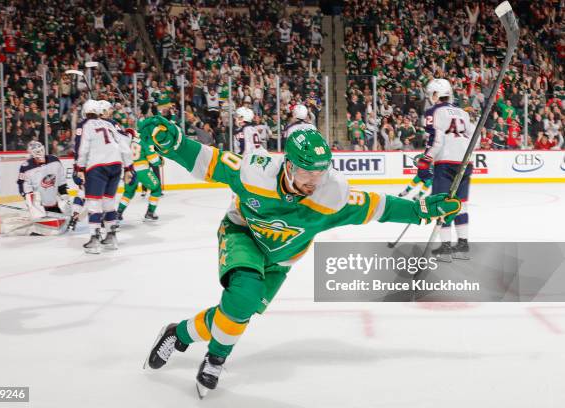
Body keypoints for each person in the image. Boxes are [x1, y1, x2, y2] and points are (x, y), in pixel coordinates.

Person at [137, 115, 462, 397]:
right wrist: (175, 143)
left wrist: (420, 210)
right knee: (244, 297)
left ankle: (177, 334)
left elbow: (380, 206)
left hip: (282, 260)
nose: (314, 181)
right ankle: (216, 358)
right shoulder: (255, 172)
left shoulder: (332, 194)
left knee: (236, 313)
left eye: (320, 174)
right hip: (243, 234)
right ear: (288, 164)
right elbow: (210, 161)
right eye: (307, 173)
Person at [419, 78, 473, 261]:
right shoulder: (463, 113)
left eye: (430, 95)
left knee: (442, 203)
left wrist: (426, 159)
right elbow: (476, 139)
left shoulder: (433, 111)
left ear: (435, 94)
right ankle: (463, 246)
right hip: (465, 163)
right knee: (461, 204)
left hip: (445, 163)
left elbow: (436, 140)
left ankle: (446, 249)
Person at [74, 100, 134, 254]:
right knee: (109, 203)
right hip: (116, 165)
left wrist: (79, 168)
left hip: (97, 166)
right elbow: (125, 147)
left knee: (94, 204)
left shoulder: (86, 125)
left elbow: (83, 148)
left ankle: (94, 240)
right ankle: (111, 237)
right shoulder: (109, 124)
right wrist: (129, 168)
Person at [17, 141, 69, 233]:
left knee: (63, 226)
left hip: (53, 204)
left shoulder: (54, 160)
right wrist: (33, 206)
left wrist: (64, 196)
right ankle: (36, 218)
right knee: (45, 230)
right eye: (37, 152)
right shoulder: (26, 167)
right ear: (31, 153)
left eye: (40, 150)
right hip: (39, 206)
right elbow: (24, 187)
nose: (40, 154)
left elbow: (61, 181)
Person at [117, 128, 163, 222]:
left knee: (128, 193)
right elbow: (153, 160)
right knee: (157, 188)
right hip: (142, 171)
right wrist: (160, 161)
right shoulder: (142, 141)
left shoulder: (123, 143)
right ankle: (150, 212)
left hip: (128, 171)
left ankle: (118, 213)